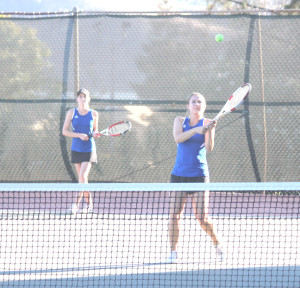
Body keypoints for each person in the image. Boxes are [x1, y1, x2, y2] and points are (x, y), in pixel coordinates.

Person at [167, 92, 224, 263]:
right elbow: (178, 138)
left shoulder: (207, 123)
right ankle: (173, 252)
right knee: (174, 215)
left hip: (199, 176)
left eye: (200, 102)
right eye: (193, 101)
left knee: (202, 218)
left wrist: (210, 131)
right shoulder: (179, 121)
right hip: (178, 176)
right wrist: (195, 130)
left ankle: (217, 243)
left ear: (203, 106)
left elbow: (209, 148)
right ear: (188, 106)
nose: (196, 104)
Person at [62, 88, 100, 214]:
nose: (82, 99)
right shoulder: (71, 113)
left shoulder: (94, 114)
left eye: (85, 97)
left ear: (88, 99)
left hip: (89, 149)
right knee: (82, 179)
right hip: (76, 149)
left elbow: (95, 131)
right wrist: (79, 135)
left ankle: (75, 205)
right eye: (80, 96)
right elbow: (65, 131)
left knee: (82, 176)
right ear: (77, 99)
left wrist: (95, 134)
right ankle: (90, 206)